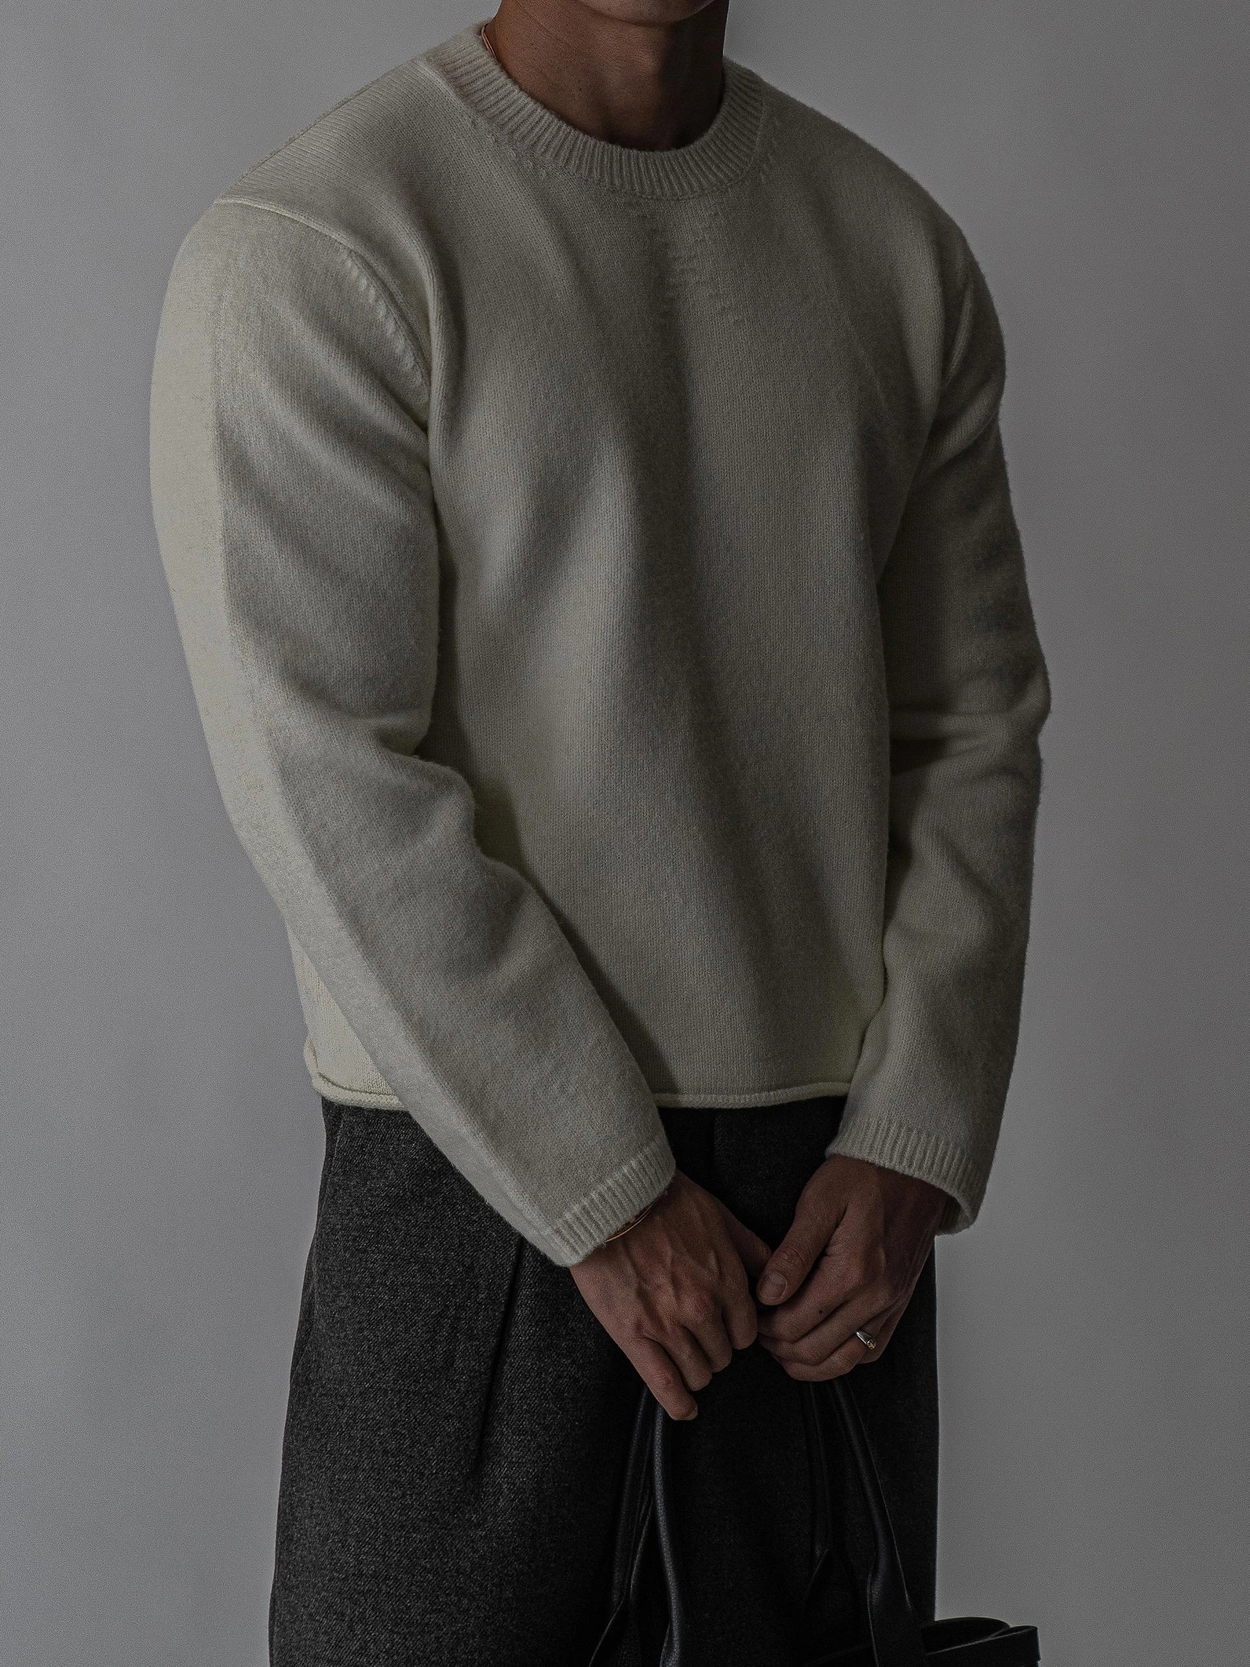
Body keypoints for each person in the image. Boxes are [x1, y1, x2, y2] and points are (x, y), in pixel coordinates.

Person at [149, 2, 1050, 1662]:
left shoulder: (891, 249)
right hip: (475, 1186)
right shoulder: (319, 246)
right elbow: (322, 771)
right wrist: (601, 1191)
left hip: (826, 1207)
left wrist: (917, 1132)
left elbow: (970, 725)